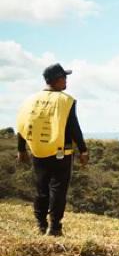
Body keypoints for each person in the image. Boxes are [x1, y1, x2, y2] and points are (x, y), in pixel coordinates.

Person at [16, 63, 89, 236]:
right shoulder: (66, 100)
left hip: (38, 150)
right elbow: (73, 127)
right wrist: (83, 150)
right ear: (57, 80)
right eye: (64, 77)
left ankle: (40, 224)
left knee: (41, 188)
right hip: (61, 152)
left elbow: (23, 125)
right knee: (58, 188)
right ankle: (54, 226)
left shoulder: (30, 100)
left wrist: (21, 149)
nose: (66, 81)